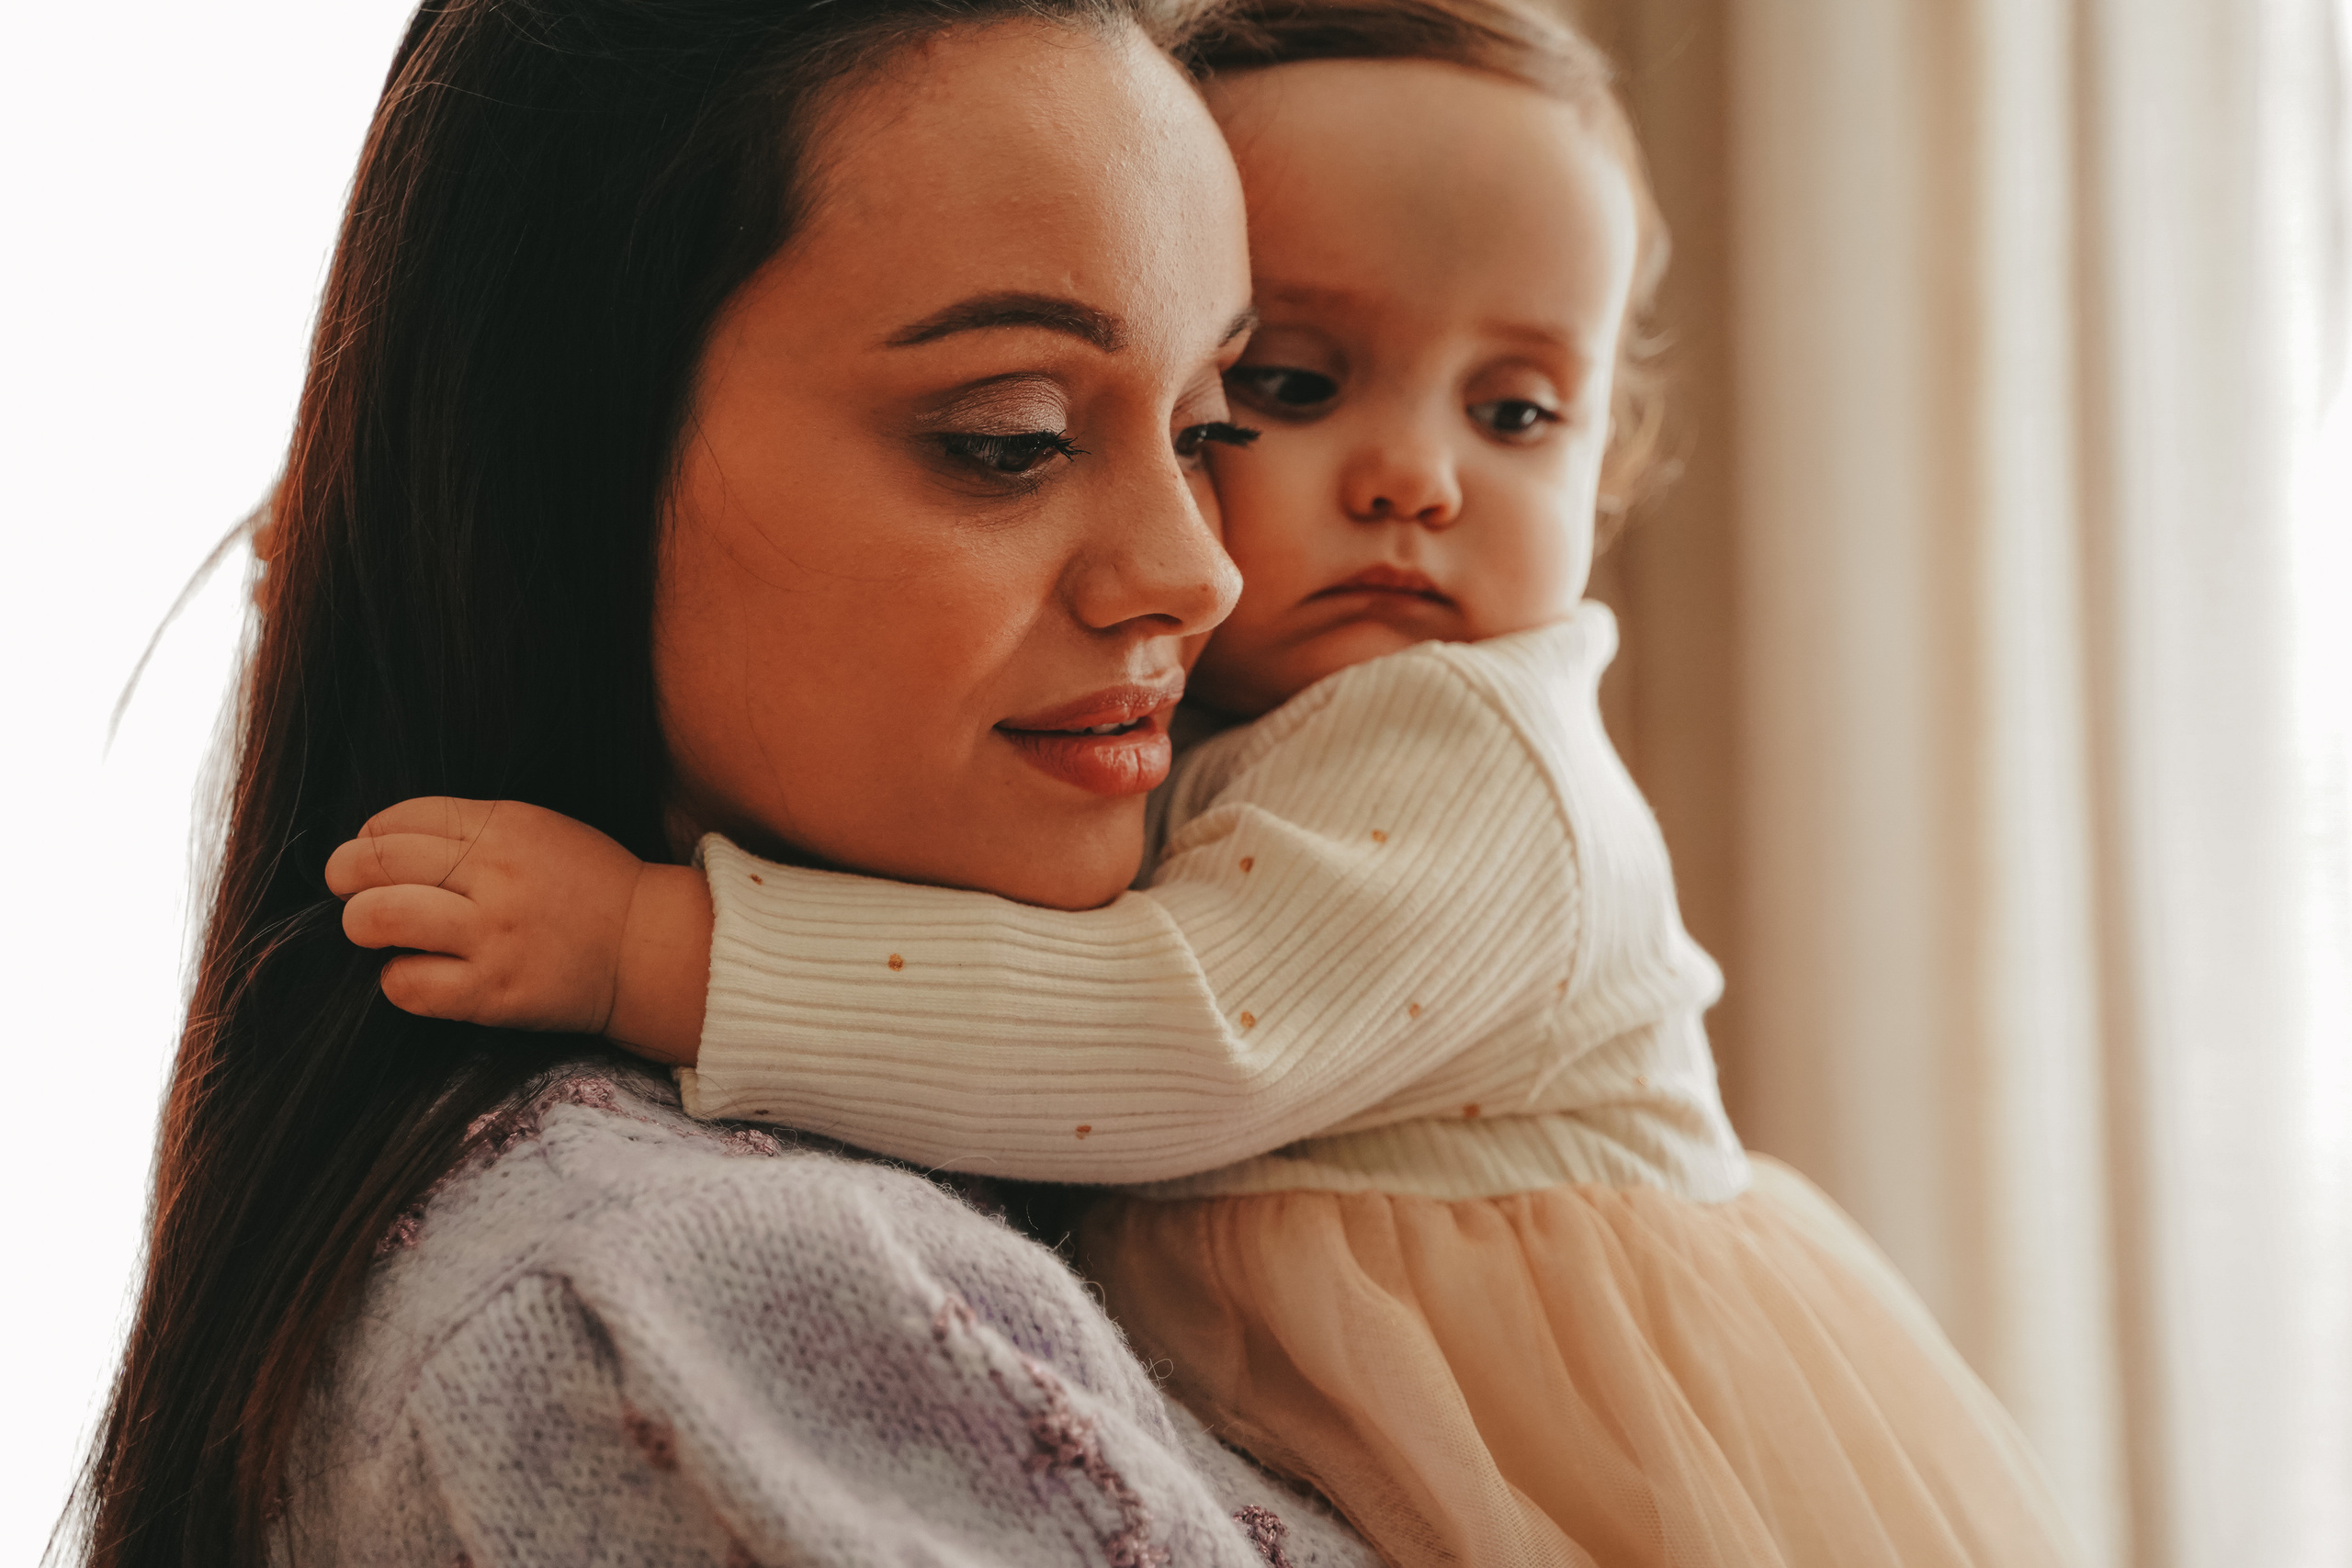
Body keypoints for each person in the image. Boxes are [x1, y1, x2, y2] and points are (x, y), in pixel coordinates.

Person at [333, 3, 2090, 1565]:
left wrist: (660, 946)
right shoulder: (642, 1305)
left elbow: (1174, 1029)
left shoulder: (1477, 749)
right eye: (1285, 394)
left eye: (1521, 413)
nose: (1408, 481)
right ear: (559, 461)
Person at [69, 3, 1388, 1565]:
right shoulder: (696, 1301)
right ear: (555, 468)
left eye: (1207, 425)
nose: (1199, 572)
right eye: (1009, 438)